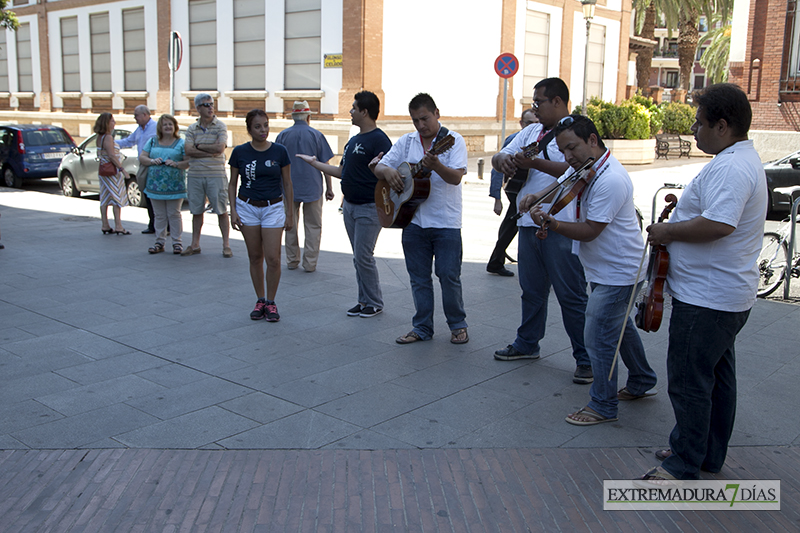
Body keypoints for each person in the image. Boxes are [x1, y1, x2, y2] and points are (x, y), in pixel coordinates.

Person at [640, 84, 767, 482]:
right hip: (723, 295)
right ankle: (706, 453)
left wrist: (669, 232)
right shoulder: (738, 159)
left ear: (723, 126)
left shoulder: (731, 166)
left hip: (708, 299)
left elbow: (719, 224)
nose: (694, 130)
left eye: (699, 123)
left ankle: (683, 461)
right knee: (715, 379)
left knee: (689, 380)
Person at [524, 114, 657, 425]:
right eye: (563, 151)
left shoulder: (609, 178)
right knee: (619, 329)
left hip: (618, 273)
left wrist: (552, 223)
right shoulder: (586, 169)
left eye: (572, 148)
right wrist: (535, 197)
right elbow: (559, 187)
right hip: (603, 269)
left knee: (597, 334)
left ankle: (602, 404)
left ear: (593, 141)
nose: (568, 157)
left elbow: (590, 230)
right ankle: (642, 379)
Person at [491, 78, 592, 385]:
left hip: (561, 222)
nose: (533, 108)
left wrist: (535, 162)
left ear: (558, 102)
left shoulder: (576, 132)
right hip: (527, 222)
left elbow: (582, 168)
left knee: (571, 295)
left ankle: (586, 358)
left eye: (539, 103)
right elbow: (499, 156)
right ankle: (527, 343)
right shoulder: (532, 131)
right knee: (531, 291)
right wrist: (505, 160)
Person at [373, 93, 469, 344]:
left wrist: (436, 165)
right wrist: (389, 172)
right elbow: (380, 167)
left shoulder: (453, 140)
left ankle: (457, 324)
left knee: (448, 275)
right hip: (412, 220)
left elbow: (456, 177)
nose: (420, 125)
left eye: (424, 118)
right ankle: (422, 327)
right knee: (418, 278)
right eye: (415, 120)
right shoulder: (407, 141)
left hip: (446, 221)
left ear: (437, 113)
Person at [297, 90, 393, 318]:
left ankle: (375, 302)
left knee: (363, 256)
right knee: (358, 256)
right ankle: (364, 300)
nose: (350, 111)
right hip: (350, 206)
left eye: (353, 108)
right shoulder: (353, 141)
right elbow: (341, 171)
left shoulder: (380, 140)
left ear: (365, 111)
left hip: (370, 207)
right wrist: (315, 164)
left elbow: (390, 172)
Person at [228, 109, 294, 322]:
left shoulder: (280, 151)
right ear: (249, 129)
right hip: (247, 207)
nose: (263, 130)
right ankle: (260, 300)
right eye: (257, 126)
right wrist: (233, 211)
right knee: (255, 256)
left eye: (265, 125)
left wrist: (289, 213)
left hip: (273, 208)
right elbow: (232, 184)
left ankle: (272, 303)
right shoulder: (239, 152)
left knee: (273, 258)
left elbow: (287, 183)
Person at [275, 100, 334, 272]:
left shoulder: (283, 136)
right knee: (313, 226)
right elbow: (326, 164)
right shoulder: (316, 135)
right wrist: (329, 188)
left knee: (290, 224)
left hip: (288, 188)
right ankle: (310, 263)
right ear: (308, 117)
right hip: (312, 187)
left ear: (293, 116)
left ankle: (292, 260)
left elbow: (277, 164)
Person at [486, 108, 537, 277]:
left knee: (511, 222)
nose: (533, 126)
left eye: (536, 123)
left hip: (525, 188)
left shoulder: (539, 141)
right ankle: (496, 261)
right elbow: (497, 169)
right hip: (516, 189)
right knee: (513, 223)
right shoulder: (514, 139)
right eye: (529, 123)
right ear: (522, 124)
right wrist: (496, 198)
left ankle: (496, 261)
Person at [182, 93, 232, 258]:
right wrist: (208, 150)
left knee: (221, 210)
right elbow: (188, 150)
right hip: (195, 175)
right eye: (206, 105)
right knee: (196, 210)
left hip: (215, 175)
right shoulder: (191, 128)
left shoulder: (220, 126)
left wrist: (199, 146)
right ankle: (195, 244)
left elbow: (219, 149)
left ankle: (226, 245)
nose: (210, 107)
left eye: (212, 104)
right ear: (197, 108)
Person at [139, 114, 189, 254]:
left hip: (175, 186)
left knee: (174, 214)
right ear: (160, 127)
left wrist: (176, 163)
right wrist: (151, 161)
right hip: (155, 186)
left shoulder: (181, 143)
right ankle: (159, 242)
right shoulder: (153, 141)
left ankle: (177, 243)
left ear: (175, 127)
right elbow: (142, 157)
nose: (168, 127)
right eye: (165, 124)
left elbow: (188, 162)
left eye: (170, 124)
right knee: (159, 215)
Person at [116, 105, 158, 234]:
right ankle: (152, 224)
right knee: (146, 193)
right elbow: (129, 141)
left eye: (136, 115)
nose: (135, 118)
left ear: (145, 115)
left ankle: (162, 225)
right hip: (143, 165)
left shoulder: (155, 127)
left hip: (155, 165)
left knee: (156, 196)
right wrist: (113, 144)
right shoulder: (139, 129)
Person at [94, 112, 131, 235]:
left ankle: (105, 224)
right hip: (112, 172)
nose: (114, 123)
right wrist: (122, 169)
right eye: (112, 121)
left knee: (104, 197)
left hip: (103, 171)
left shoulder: (99, 137)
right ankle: (119, 226)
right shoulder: (108, 137)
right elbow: (111, 155)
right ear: (106, 123)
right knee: (116, 197)